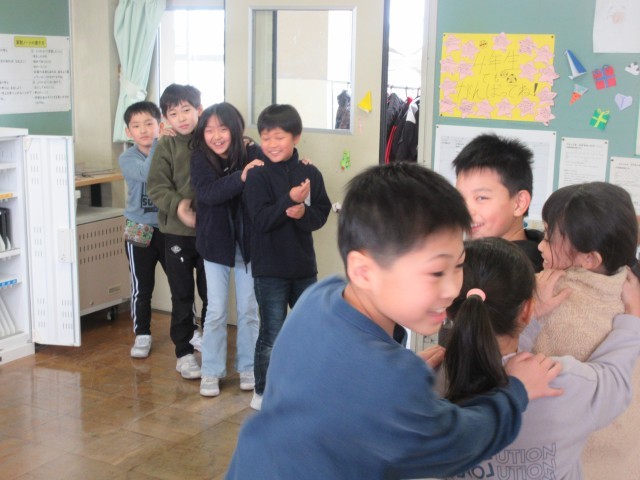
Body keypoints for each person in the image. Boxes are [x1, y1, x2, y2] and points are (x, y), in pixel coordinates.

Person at [226, 163, 563, 480]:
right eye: (435, 272)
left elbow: (343, 388)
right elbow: (458, 442)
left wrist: (397, 378)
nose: (452, 289)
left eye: (458, 265)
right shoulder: (385, 381)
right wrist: (516, 391)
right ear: (364, 271)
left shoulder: (321, 297)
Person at [440, 237, 640, 479]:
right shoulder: (557, 380)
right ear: (526, 309)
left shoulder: (428, 380)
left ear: (447, 310)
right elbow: (615, 382)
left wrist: (529, 323)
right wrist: (633, 317)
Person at [526, 182, 640, 479]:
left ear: (590, 259)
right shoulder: (630, 292)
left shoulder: (547, 300)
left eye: (549, 236)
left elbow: (502, 369)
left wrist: (527, 312)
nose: (540, 245)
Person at [243, 104, 331, 410]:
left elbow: (321, 214)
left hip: (304, 268)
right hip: (269, 270)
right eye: (265, 137)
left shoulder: (309, 172)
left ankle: (307, 387)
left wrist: (303, 213)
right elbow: (260, 221)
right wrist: (288, 201)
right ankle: (262, 391)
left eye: (279, 137)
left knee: (311, 330)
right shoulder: (257, 175)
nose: (271, 144)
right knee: (272, 333)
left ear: (296, 137)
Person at [190, 103, 263, 397]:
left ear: (235, 129)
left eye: (222, 129)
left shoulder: (252, 152)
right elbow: (208, 193)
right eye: (209, 130)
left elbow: (268, 180)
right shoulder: (199, 157)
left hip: (247, 243)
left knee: (249, 309)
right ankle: (211, 371)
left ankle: (249, 366)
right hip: (214, 243)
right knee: (216, 310)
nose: (216, 136)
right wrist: (241, 177)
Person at [147, 83, 207, 380]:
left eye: (186, 110)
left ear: (199, 110)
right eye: (173, 113)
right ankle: (184, 352)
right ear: (166, 118)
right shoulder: (166, 145)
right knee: (182, 294)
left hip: (210, 234)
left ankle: (210, 345)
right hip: (176, 234)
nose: (181, 118)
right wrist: (179, 206)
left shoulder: (211, 138)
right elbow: (156, 186)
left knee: (212, 295)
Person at [453, 133, 544, 272]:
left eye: (481, 198)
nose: (466, 211)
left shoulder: (516, 273)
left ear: (519, 203)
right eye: (460, 198)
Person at [119, 101, 167, 359]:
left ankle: (191, 330)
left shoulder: (168, 149)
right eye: (136, 126)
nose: (144, 130)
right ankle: (142, 334)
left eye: (149, 124)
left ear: (160, 125)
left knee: (180, 284)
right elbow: (149, 173)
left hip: (169, 226)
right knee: (141, 286)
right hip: (138, 227)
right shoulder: (127, 158)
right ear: (129, 132)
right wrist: (160, 141)